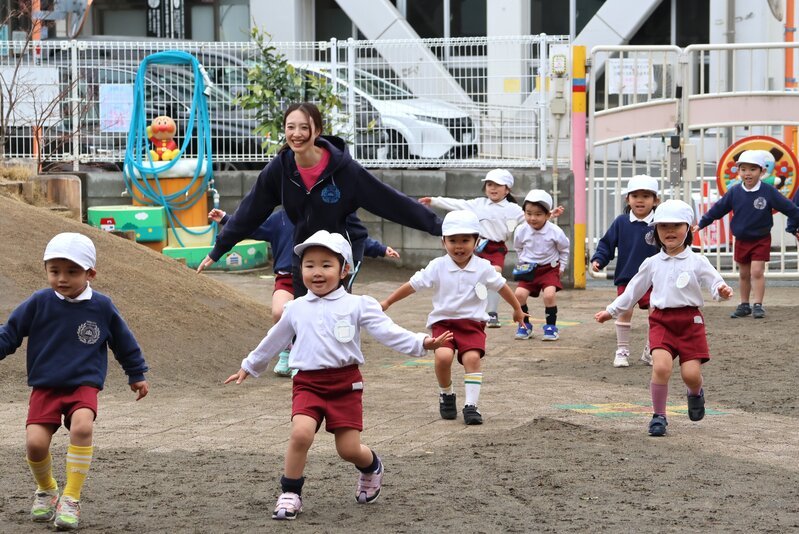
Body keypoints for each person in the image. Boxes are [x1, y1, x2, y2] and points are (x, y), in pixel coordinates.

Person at [224, 230, 451, 521]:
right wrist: (249, 365)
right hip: (307, 383)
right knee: (301, 433)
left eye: (326, 265)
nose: (317, 272)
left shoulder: (358, 305)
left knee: (348, 449)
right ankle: (290, 492)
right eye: (309, 265)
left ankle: (372, 467)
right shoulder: (295, 308)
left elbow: (388, 331)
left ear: (344, 269)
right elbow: (274, 339)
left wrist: (422, 342)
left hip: (346, 384)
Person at [196, 102, 442, 298]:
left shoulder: (344, 171)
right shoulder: (279, 169)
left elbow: (389, 201)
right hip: (304, 250)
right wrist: (220, 248)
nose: (297, 134)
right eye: (291, 127)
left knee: (335, 313)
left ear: (317, 131)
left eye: (304, 127)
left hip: (341, 250)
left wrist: (439, 227)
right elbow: (251, 211)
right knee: (304, 315)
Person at [0, 232, 149, 530]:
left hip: (83, 384)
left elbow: (124, 342)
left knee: (82, 427)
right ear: (45, 270)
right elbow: (9, 334)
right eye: (54, 271)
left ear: (90, 273)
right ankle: (47, 490)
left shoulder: (102, 306)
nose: (62, 278)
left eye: (72, 271)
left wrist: (136, 373)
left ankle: (71, 498)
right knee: (35, 444)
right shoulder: (38, 302)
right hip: (45, 386)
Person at [595, 200, 733, 436]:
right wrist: (612, 311)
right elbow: (632, 291)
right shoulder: (652, 263)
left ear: (688, 228)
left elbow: (715, 282)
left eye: (676, 225)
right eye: (663, 226)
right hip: (661, 321)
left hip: (690, 323)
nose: (669, 231)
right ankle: (658, 416)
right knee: (660, 368)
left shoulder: (697, 261)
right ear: (655, 231)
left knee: (691, 375)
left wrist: (721, 291)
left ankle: (695, 393)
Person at [208, 208, 400, 376]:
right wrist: (226, 219)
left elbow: (350, 239)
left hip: (316, 283)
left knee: (318, 317)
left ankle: (309, 358)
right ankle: (287, 349)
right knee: (279, 311)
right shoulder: (279, 218)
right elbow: (252, 228)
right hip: (286, 276)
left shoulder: (323, 217)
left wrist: (381, 249)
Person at [380, 211, 526, 425]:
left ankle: (471, 406)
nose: (459, 246)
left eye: (465, 240)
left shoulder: (483, 267)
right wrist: (387, 302)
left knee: (472, 359)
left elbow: (502, 287)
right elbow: (412, 285)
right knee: (443, 357)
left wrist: (517, 309)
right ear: (443, 242)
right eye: (453, 241)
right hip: (443, 323)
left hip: (472, 324)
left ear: (477, 241)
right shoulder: (437, 266)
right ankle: (446, 393)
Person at [420, 169, 564, 328]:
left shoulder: (513, 209)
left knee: (495, 273)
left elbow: (533, 217)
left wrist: (551, 214)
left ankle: (492, 313)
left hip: (497, 248)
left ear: (507, 189)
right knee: (474, 278)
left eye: (498, 185)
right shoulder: (478, 204)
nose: (493, 188)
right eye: (489, 184)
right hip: (476, 246)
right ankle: (472, 310)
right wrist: (433, 201)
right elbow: (457, 204)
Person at [695, 149, 799, 319]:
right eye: (743, 169)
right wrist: (701, 224)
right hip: (741, 240)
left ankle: (758, 304)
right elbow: (718, 209)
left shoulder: (768, 191)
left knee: (756, 272)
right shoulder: (734, 192)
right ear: (738, 171)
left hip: (761, 239)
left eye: (753, 169)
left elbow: (790, 208)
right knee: (743, 274)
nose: (747, 173)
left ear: (762, 171)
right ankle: (744, 304)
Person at [590, 175, 660, 367]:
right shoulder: (621, 222)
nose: (640, 200)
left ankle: (651, 349)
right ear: (627, 199)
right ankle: (622, 351)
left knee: (656, 314)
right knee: (624, 311)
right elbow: (606, 244)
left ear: (655, 200)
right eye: (635, 196)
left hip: (654, 280)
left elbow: (670, 245)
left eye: (646, 196)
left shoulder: (660, 223)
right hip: (627, 278)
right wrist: (599, 259)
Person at [513, 190, 570, 341]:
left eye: (538, 214)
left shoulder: (555, 231)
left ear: (548, 215)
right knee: (519, 295)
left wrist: (561, 267)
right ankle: (525, 325)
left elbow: (564, 249)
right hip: (528, 269)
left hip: (549, 269)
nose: (532, 218)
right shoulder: (521, 230)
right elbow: (518, 247)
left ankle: (551, 327)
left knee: (549, 295)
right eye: (529, 213)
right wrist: (522, 262)